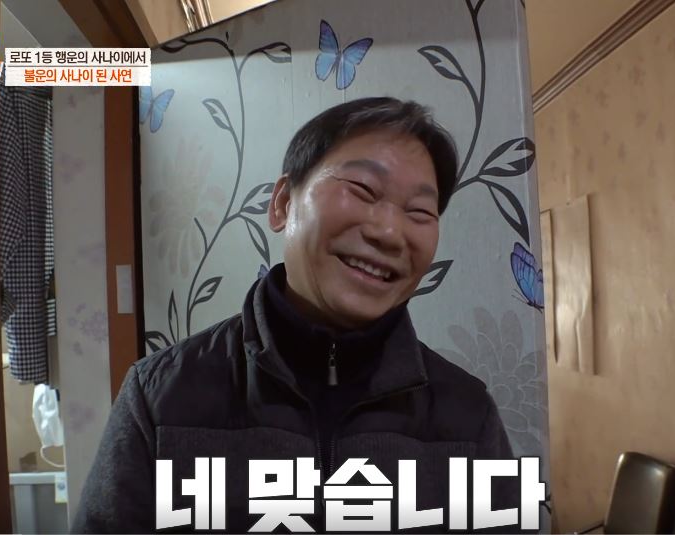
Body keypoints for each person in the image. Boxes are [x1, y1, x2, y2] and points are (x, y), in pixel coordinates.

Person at [72, 97, 516, 533]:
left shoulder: (468, 416)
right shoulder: (161, 397)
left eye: (419, 212)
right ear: (283, 203)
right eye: (363, 190)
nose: (388, 232)